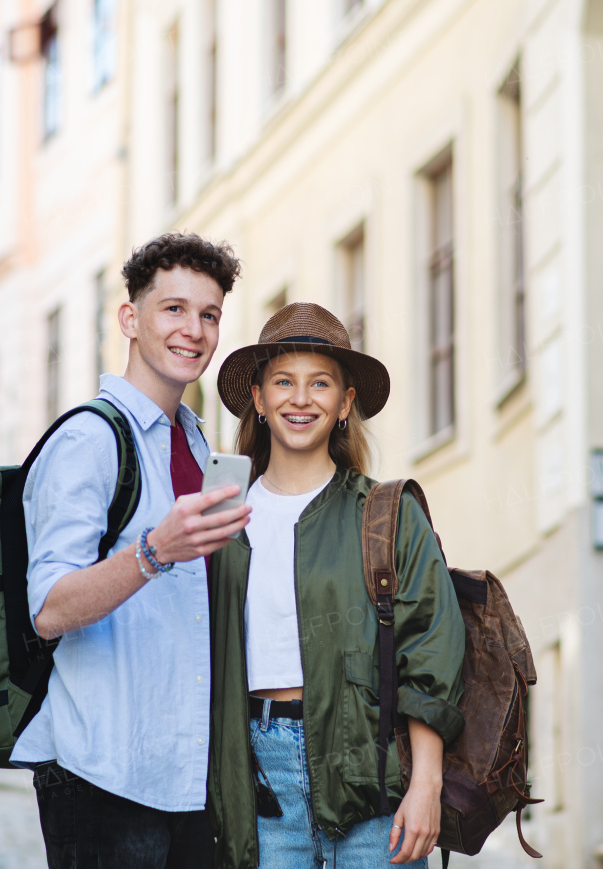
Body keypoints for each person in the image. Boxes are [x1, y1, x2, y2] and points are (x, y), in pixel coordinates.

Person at [11, 233, 251, 869]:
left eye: (209, 315)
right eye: (173, 309)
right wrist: (153, 551)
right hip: (103, 774)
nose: (193, 331)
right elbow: (50, 609)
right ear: (130, 319)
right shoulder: (88, 441)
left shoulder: (203, 448)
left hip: (190, 778)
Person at [205, 303, 466, 869]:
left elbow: (429, 653)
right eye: (283, 382)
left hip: (374, 777)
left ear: (346, 402)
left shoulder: (387, 513)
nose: (301, 399)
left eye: (320, 383)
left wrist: (426, 785)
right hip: (257, 781)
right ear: (258, 398)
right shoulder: (219, 518)